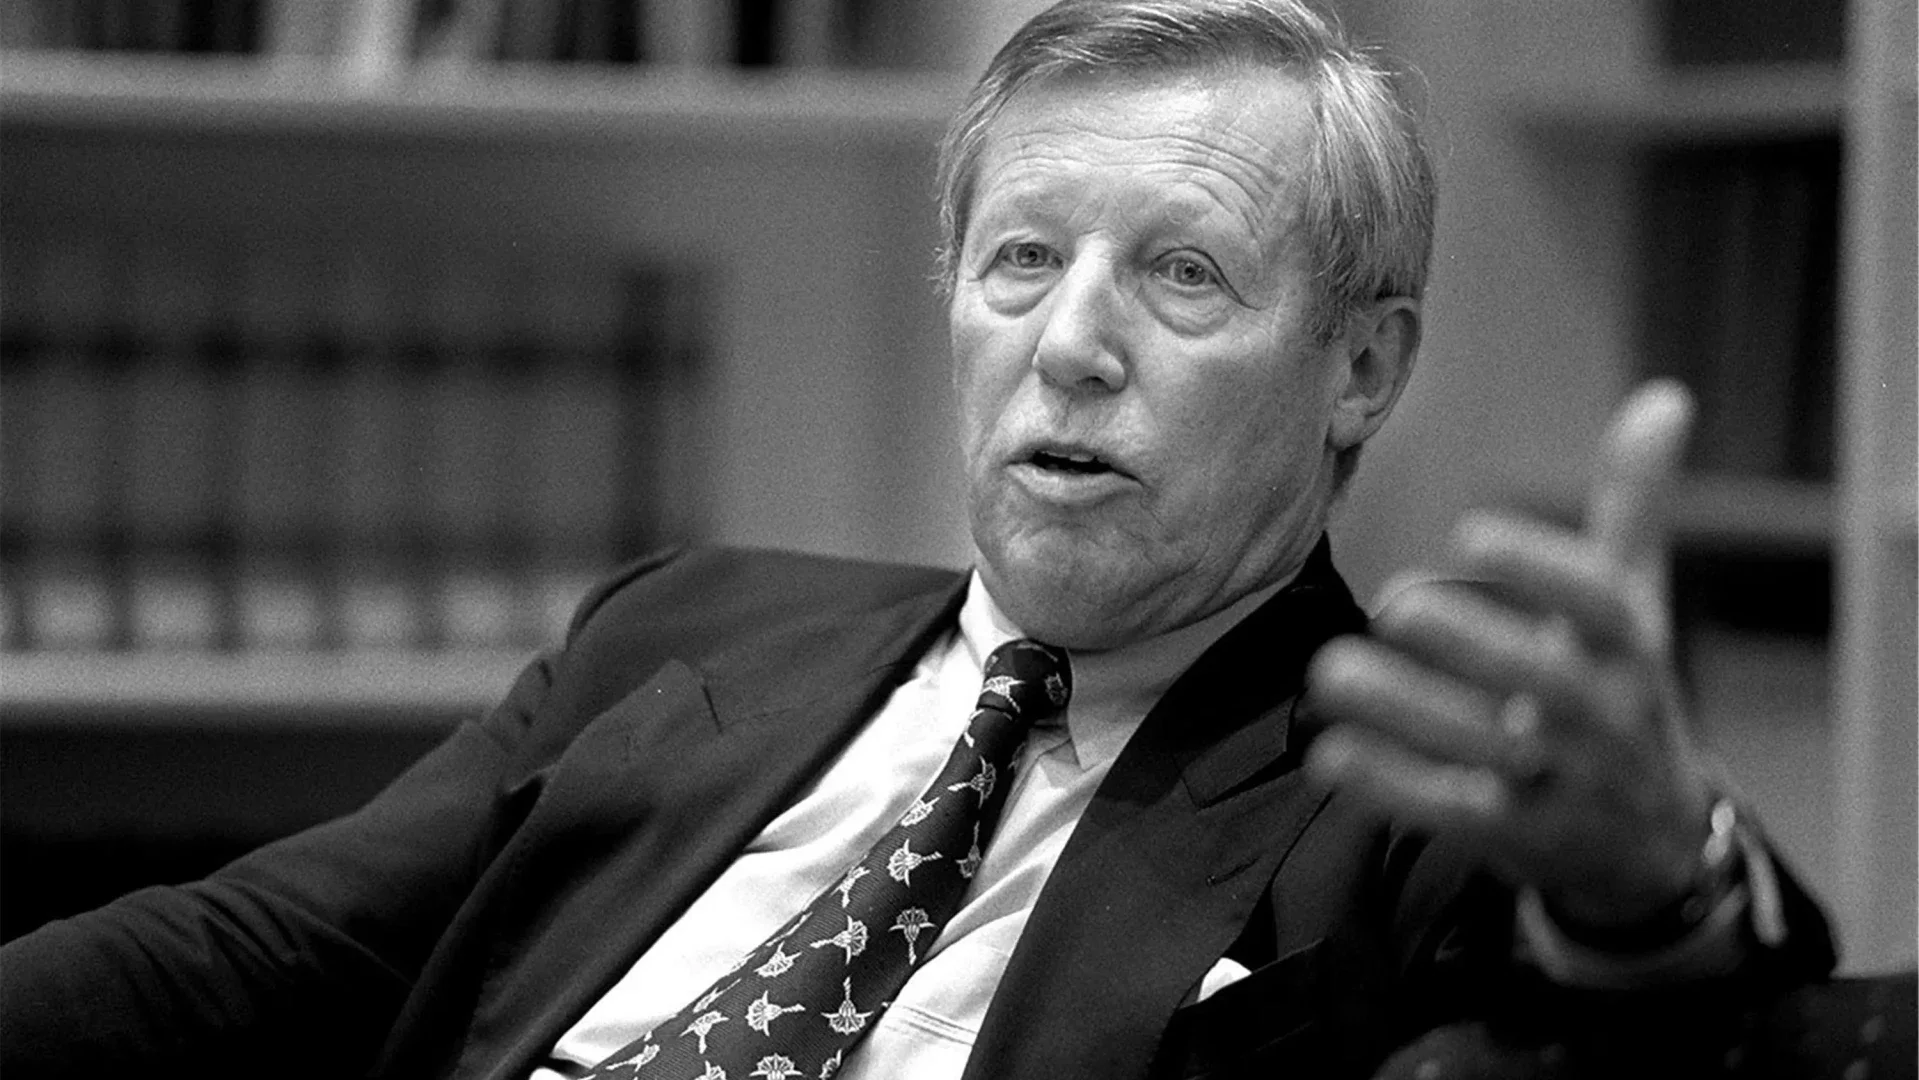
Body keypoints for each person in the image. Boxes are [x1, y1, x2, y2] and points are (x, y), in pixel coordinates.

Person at [0, 1, 1834, 1077]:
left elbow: (1695, 1020)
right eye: (1020, 259)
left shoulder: (1399, 784)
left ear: (1360, 366)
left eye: (1181, 275)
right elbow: (247, 954)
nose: (1070, 341)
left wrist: (1657, 878)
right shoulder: (685, 627)